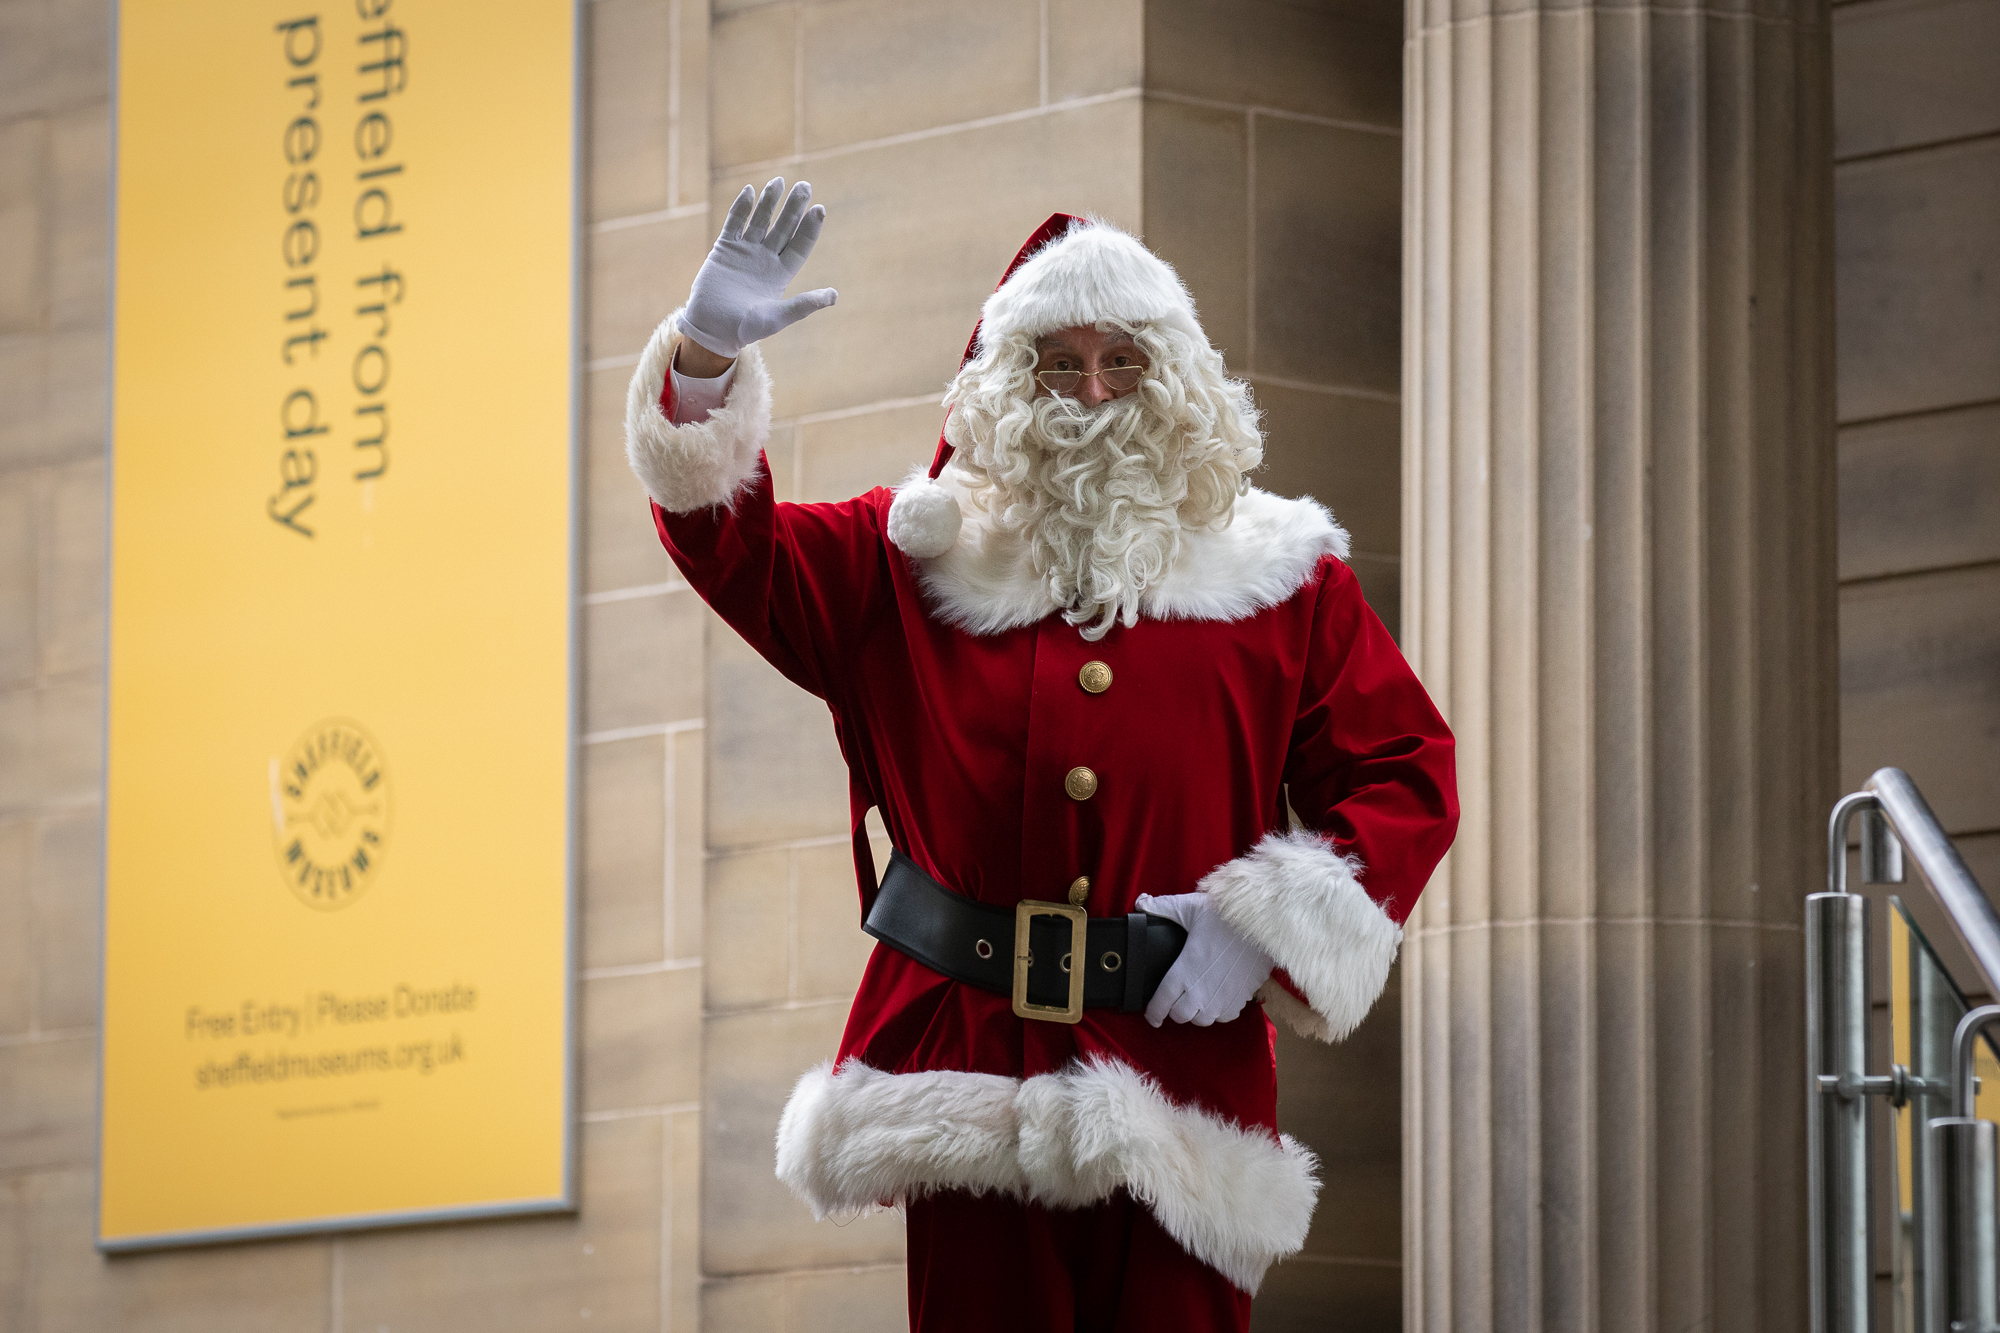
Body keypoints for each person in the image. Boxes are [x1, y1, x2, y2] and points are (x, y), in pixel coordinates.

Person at [625, 178, 1459, 1331]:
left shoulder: (1281, 581)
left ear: (1174, 378)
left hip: (1184, 1091)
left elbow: (1404, 769)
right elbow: (734, 547)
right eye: (1054, 365)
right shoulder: (903, 564)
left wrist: (1258, 924)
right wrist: (706, 359)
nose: (1091, 391)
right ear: (1001, 386)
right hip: (971, 1085)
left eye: (1120, 359)